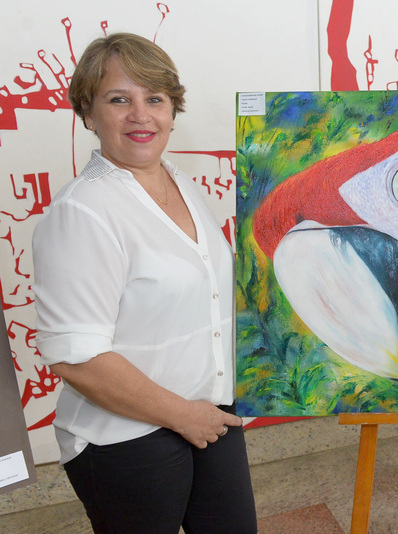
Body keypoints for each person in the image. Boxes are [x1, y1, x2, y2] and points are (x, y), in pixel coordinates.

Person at [32, 33, 257, 533]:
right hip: (124, 436)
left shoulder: (182, 183)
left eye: (154, 99)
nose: (141, 115)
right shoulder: (81, 213)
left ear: (172, 110)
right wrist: (183, 415)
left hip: (209, 414)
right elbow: (77, 358)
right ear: (88, 113)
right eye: (119, 100)